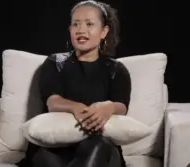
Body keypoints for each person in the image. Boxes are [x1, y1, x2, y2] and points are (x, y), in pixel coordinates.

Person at [19, 0, 131, 167]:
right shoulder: (55, 62)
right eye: (76, 24)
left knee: (98, 148)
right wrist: (76, 108)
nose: (81, 30)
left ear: (104, 31)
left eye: (89, 24)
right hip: (55, 148)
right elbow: (53, 101)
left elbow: (121, 105)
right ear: (70, 29)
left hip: (98, 147)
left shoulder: (116, 70)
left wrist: (108, 107)